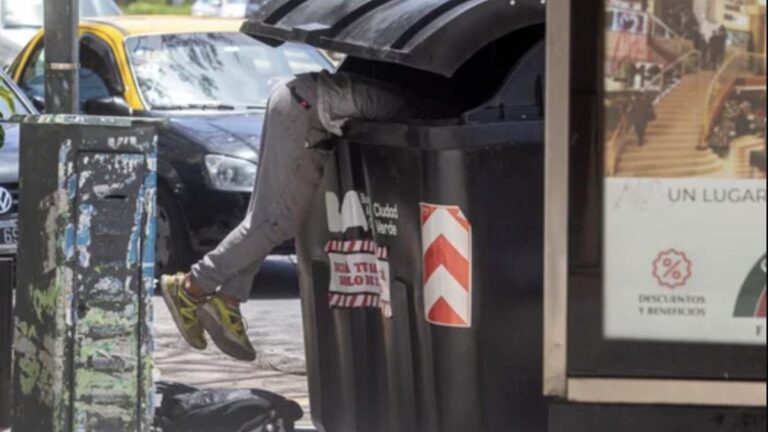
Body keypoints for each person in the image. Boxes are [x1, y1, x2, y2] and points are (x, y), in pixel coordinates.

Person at [160, 71, 450, 361]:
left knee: (263, 219)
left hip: (299, 102)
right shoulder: (408, 112)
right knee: (276, 222)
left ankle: (229, 300)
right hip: (305, 111)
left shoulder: (399, 96)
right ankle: (191, 286)